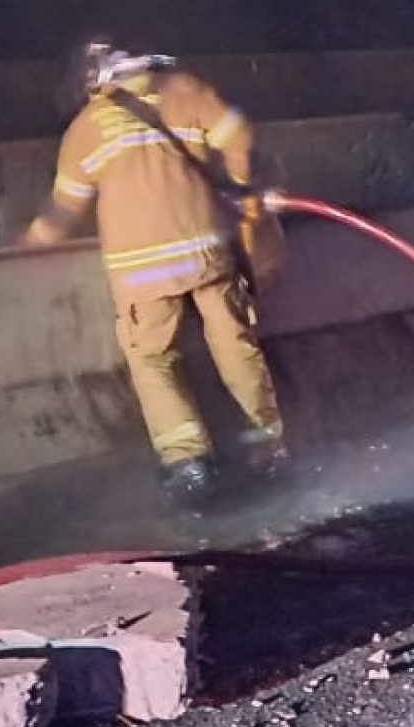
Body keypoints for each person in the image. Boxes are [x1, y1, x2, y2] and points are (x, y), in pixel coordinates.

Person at [23, 40, 285, 504]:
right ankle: (264, 445)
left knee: (152, 359)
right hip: (207, 254)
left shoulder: (86, 129)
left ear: (88, 82)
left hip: (141, 270)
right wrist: (244, 191)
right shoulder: (184, 90)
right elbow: (241, 140)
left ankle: (188, 462)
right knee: (235, 342)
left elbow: (64, 210)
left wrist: (29, 248)